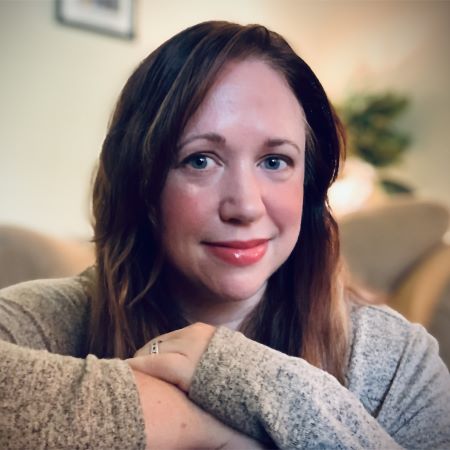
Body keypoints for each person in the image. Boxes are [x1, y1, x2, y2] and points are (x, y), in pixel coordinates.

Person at [0, 20, 449, 450]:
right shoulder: (58, 320)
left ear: (308, 184)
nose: (246, 206)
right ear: (143, 183)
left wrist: (255, 380)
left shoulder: (394, 360)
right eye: (200, 160)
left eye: (275, 161)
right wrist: (201, 430)